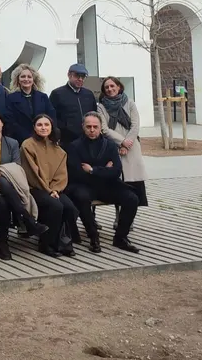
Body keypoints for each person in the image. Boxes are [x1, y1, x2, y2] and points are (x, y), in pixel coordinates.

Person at [0, 111, 47, 260]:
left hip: (9, 188)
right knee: (2, 187)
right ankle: (26, 219)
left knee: (3, 201)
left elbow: (16, 166)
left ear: (2, 124)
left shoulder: (12, 143)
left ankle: (3, 242)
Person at [65, 113, 142, 253]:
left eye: (95, 127)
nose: (92, 130)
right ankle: (93, 236)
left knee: (132, 198)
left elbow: (117, 171)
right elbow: (76, 174)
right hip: (84, 186)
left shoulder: (110, 145)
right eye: (88, 127)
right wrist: (105, 170)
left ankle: (120, 237)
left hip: (107, 185)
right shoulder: (74, 146)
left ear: (101, 128)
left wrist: (92, 170)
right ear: (83, 127)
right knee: (81, 197)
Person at [21, 114, 78, 258]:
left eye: (46, 125)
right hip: (35, 189)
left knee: (70, 208)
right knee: (56, 206)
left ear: (52, 127)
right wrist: (48, 191)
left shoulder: (58, 149)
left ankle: (63, 242)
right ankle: (46, 243)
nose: (43, 128)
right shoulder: (27, 145)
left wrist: (55, 190)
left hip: (55, 189)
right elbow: (32, 174)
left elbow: (61, 174)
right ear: (34, 127)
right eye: (39, 125)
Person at [97, 77, 148, 206]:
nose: (110, 89)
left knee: (133, 183)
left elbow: (135, 125)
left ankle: (129, 218)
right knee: (119, 184)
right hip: (113, 146)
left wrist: (128, 143)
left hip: (132, 147)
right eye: (107, 87)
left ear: (119, 87)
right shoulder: (101, 107)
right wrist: (122, 142)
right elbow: (104, 129)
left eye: (112, 86)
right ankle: (118, 215)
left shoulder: (129, 103)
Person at [2, 64, 55, 145]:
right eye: (23, 76)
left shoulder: (43, 97)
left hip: (43, 139)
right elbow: (10, 122)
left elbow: (51, 117)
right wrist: (28, 138)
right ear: (18, 79)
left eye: (29, 77)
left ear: (33, 79)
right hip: (21, 141)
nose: (26, 79)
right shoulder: (11, 98)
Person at [49, 63, 98, 145]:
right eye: (77, 76)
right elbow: (52, 117)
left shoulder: (89, 94)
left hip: (88, 139)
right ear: (69, 75)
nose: (80, 79)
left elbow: (94, 114)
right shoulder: (57, 94)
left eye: (83, 76)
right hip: (67, 141)